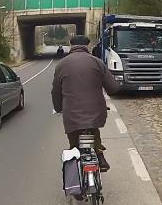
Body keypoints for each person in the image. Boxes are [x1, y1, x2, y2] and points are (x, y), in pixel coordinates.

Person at [51, 35, 119, 171]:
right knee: (93, 128)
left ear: (71, 46)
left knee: (74, 145)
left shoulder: (61, 65)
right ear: (87, 46)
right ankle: (100, 155)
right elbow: (113, 88)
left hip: (71, 115)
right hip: (96, 113)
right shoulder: (97, 62)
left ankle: (75, 166)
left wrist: (58, 108)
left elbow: (55, 92)